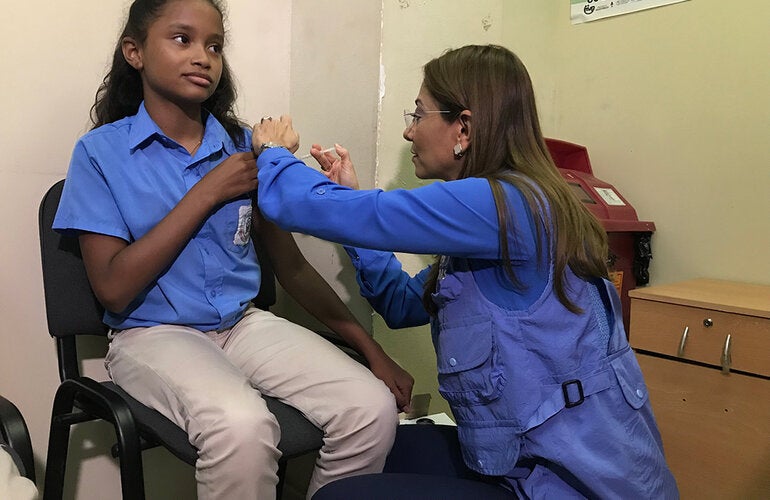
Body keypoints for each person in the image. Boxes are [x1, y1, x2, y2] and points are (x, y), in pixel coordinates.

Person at [251, 45, 679, 498]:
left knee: (341, 495)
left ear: (464, 128)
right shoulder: (489, 226)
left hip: (572, 486)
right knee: (370, 445)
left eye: (418, 115)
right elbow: (401, 304)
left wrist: (273, 153)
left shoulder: (507, 206)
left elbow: (309, 206)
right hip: (521, 464)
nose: (408, 131)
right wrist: (352, 210)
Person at [53, 1, 414, 498]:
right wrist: (206, 193)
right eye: (182, 39)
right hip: (151, 334)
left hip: (241, 325)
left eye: (214, 45)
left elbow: (291, 267)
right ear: (134, 52)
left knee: (371, 408)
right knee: (242, 427)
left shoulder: (245, 147)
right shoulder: (99, 153)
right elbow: (113, 289)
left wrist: (373, 352)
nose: (203, 56)